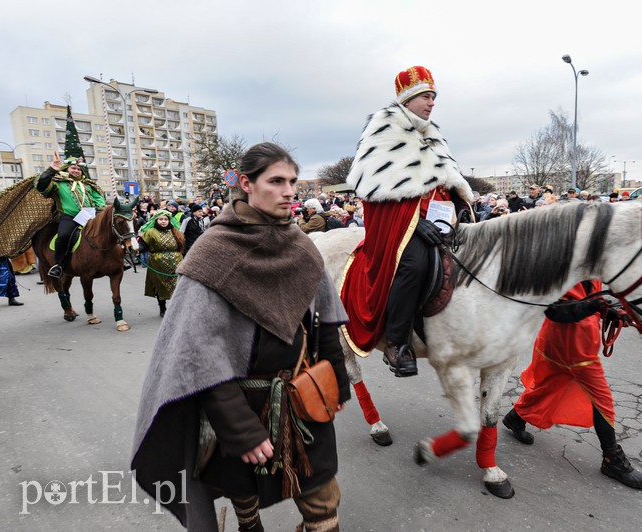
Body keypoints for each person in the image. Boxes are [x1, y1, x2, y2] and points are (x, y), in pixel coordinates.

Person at [131, 142, 351, 531]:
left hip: (303, 398)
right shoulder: (213, 251)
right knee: (243, 495)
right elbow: (198, 354)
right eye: (277, 181)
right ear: (247, 184)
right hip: (239, 406)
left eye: (293, 181)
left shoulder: (301, 246)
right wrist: (239, 427)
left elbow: (325, 322)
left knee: (323, 502)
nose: (289, 191)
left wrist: (337, 384)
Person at [342, 65, 474, 377]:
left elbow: (445, 181)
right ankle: (397, 342)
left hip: (442, 221)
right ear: (408, 100)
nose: (432, 102)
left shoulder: (433, 135)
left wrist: (460, 202)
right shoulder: (384, 131)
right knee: (414, 263)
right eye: (426, 96)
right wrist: (414, 225)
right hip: (403, 228)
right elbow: (376, 195)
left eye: (433, 97)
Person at [501, 281, 642, 489]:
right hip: (574, 350)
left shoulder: (594, 268)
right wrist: (594, 306)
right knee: (602, 400)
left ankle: (515, 417)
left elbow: (591, 299)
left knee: (549, 387)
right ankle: (612, 459)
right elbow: (555, 311)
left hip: (568, 343)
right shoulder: (563, 266)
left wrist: (610, 312)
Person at [34, 156, 106, 278]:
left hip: (91, 217)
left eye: (79, 169)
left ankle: (118, 259)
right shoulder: (58, 183)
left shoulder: (88, 184)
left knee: (111, 229)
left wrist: (101, 208)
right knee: (63, 236)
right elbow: (41, 186)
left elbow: (98, 198)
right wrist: (51, 170)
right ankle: (58, 265)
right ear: (66, 168)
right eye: (73, 168)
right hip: (69, 217)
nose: (76, 171)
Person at [138, 210, 184, 317]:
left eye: (166, 219)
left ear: (169, 220)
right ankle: (162, 308)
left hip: (176, 262)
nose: (163, 221)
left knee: (177, 286)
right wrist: (137, 249)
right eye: (161, 219)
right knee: (160, 286)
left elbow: (182, 246)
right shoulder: (150, 232)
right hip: (157, 263)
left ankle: (177, 308)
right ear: (156, 220)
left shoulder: (175, 231)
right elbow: (143, 245)